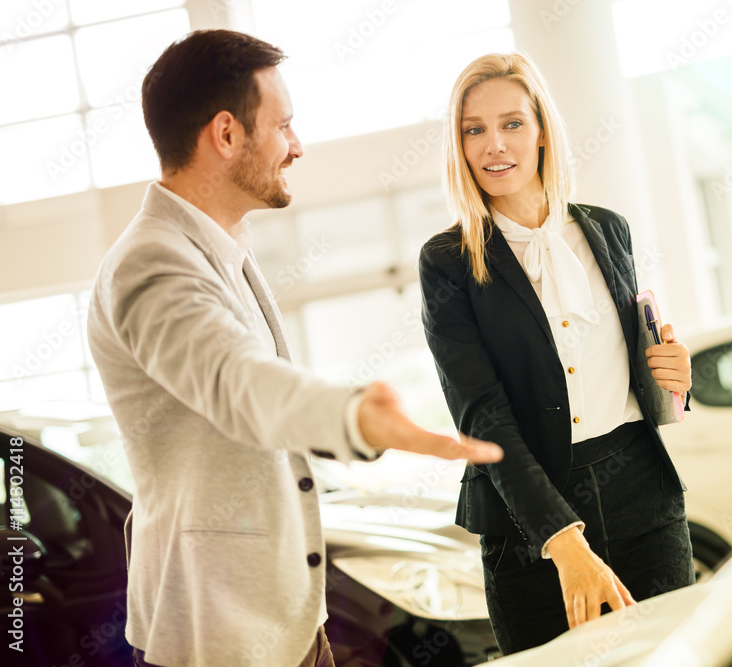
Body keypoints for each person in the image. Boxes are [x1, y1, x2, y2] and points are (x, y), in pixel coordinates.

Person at [86, 30, 501, 667]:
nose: (297, 146)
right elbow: (236, 380)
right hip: (216, 631)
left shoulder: (223, 246)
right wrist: (353, 416)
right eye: (283, 125)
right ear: (225, 134)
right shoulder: (151, 265)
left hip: (276, 621)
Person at [418, 52, 695, 655]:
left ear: (543, 129)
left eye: (513, 123)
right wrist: (562, 540)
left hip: (642, 498)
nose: (495, 145)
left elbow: (636, 358)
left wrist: (676, 377)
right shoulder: (448, 262)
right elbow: (481, 415)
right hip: (529, 519)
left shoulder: (607, 229)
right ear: (458, 146)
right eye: (475, 129)